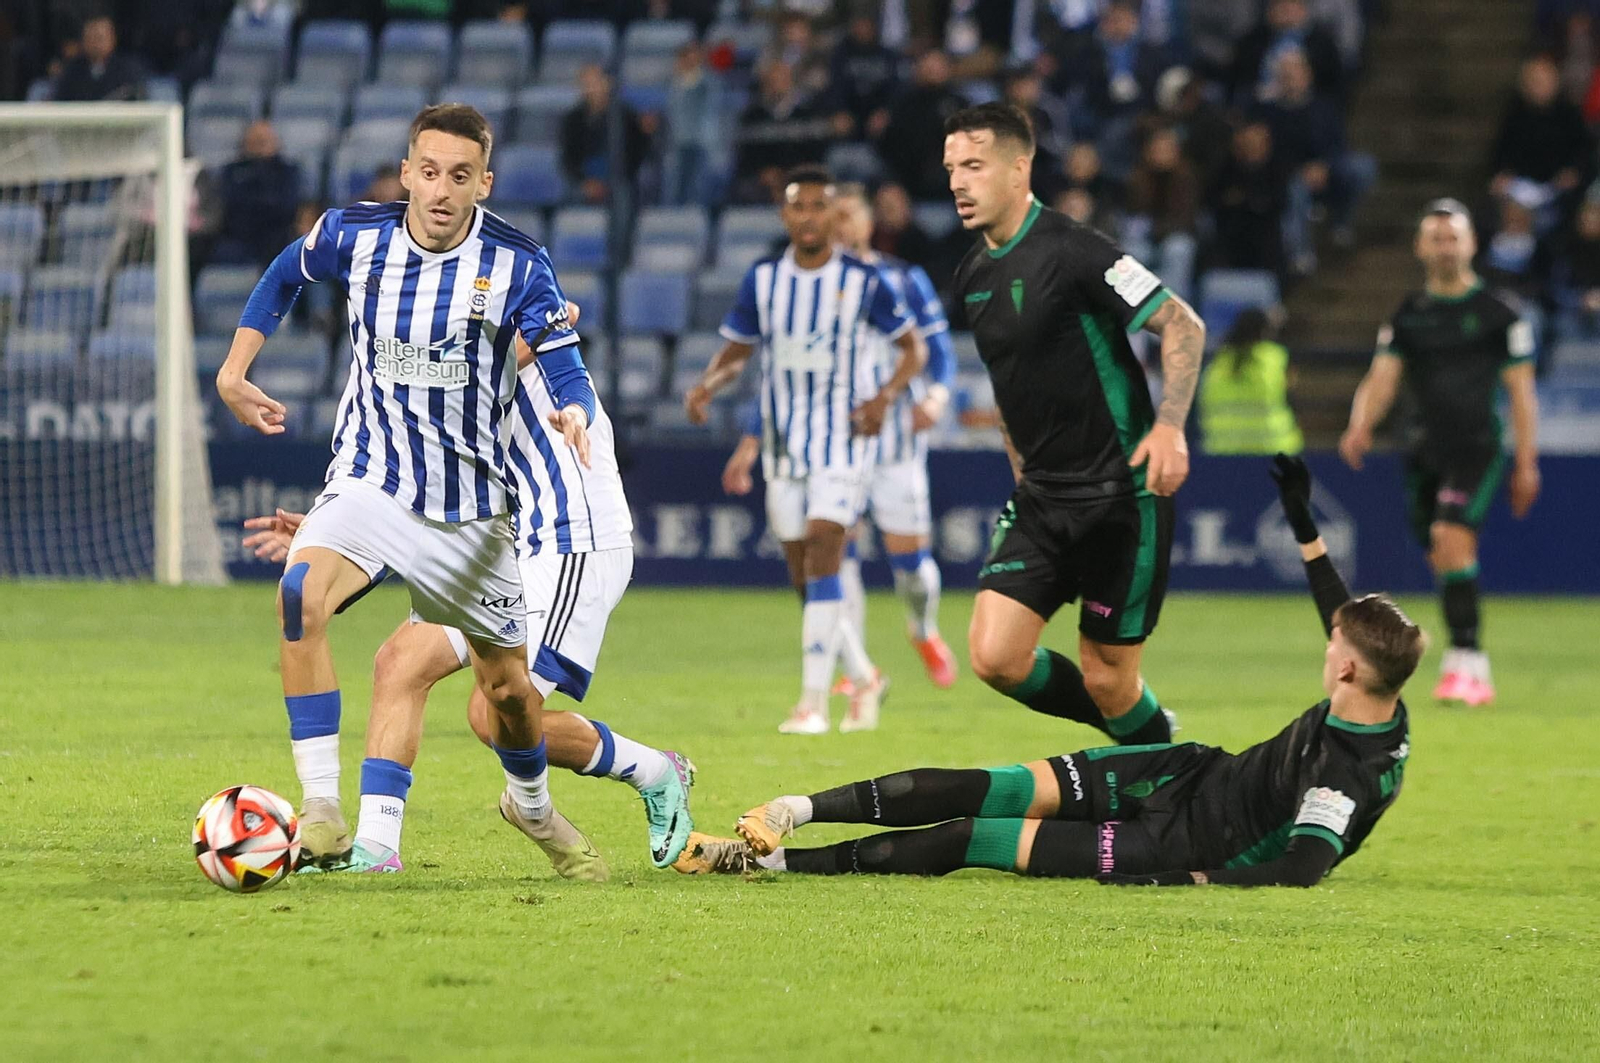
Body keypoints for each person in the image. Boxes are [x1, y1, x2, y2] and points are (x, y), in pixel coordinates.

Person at [677, 456, 1418, 887]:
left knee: (976, 834)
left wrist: (1203, 880)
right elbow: (1341, 613)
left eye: (1334, 645)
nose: (1328, 645)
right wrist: (1305, 527)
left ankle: (767, 868)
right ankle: (790, 810)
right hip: (1186, 771)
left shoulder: (1345, 774)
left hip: (1182, 846)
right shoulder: (1373, 689)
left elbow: (1305, 865)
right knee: (989, 784)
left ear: (1348, 667)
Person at [214, 104, 596, 873]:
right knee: (298, 597)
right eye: (428, 171)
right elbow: (287, 271)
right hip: (370, 480)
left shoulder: (519, 263)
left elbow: (563, 359)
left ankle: (534, 808)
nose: (441, 189)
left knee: (510, 696)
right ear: (407, 172)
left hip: (470, 514)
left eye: (460, 175)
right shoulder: (357, 235)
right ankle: (321, 810)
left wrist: (576, 410)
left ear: (483, 182)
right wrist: (234, 369)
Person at [239, 320, 695, 875]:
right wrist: (336, 532)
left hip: (573, 542)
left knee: (491, 714)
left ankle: (653, 771)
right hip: (505, 542)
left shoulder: (511, 314)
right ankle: (378, 849)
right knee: (400, 663)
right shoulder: (448, 382)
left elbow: (558, 313)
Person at [941, 102, 1205, 748]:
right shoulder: (972, 275)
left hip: (1120, 494)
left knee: (1111, 675)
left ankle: (1167, 773)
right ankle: (1137, 731)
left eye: (973, 165)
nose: (957, 182)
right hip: (1044, 497)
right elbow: (1011, 383)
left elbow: (1182, 323)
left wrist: (1169, 427)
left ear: (1018, 168)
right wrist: (1020, 469)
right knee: (995, 656)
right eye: (951, 168)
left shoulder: (1076, 249)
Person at [684, 166, 927, 735]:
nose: (810, 216)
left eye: (820, 206)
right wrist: (705, 386)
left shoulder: (865, 282)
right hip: (784, 444)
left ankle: (812, 703)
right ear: (786, 215)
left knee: (824, 549)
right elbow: (738, 351)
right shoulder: (765, 281)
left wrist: (885, 399)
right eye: (799, 206)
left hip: (843, 441)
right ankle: (865, 675)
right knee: (805, 575)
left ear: (830, 215)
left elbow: (911, 349)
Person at [722, 183, 961, 709]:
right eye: (839, 215)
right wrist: (752, 441)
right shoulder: (796, 287)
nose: (844, 225)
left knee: (912, 568)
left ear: (868, 224)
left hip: (894, 445)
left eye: (852, 215)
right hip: (831, 446)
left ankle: (922, 629)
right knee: (833, 557)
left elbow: (936, 348)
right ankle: (855, 672)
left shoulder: (900, 279)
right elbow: (781, 377)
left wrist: (938, 398)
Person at [1339, 199, 1541, 707]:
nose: (1446, 247)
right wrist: (1360, 423)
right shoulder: (1409, 315)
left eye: (1455, 237)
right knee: (1441, 551)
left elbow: (1521, 391)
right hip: (1423, 450)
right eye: (1437, 238)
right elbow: (1382, 377)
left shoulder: (1499, 313)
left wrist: (1527, 461)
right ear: (1420, 247)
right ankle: (1464, 654)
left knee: (1450, 536)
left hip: (1476, 449)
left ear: (1472, 244)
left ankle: (1469, 663)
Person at [1199, 308, 1303, 455]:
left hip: (1223, 452)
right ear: (1265, 330)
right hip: (1274, 449)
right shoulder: (1275, 357)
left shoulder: (1217, 361)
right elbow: (1290, 387)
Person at [213, 120, 304, 268]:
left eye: (264, 141)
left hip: (278, 235)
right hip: (239, 236)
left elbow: (286, 206)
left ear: (276, 142)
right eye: (255, 141)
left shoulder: (288, 171)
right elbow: (231, 205)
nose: (259, 145)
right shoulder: (231, 171)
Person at [560, 64, 649, 206]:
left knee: (625, 195)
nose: (592, 88)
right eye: (587, 84)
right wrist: (585, 182)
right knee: (571, 195)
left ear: (607, 83)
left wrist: (620, 177)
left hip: (619, 178)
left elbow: (638, 151)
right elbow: (568, 157)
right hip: (585, 178)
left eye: (596, 82)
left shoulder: (625, 115)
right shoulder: (573, 119)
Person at [52, 14, 145, 102]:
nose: (96, 43)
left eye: (99, 37)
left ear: (112, 39)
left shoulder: (128, 69)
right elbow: (60, 102)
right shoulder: (72, 70)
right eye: (90, 37)